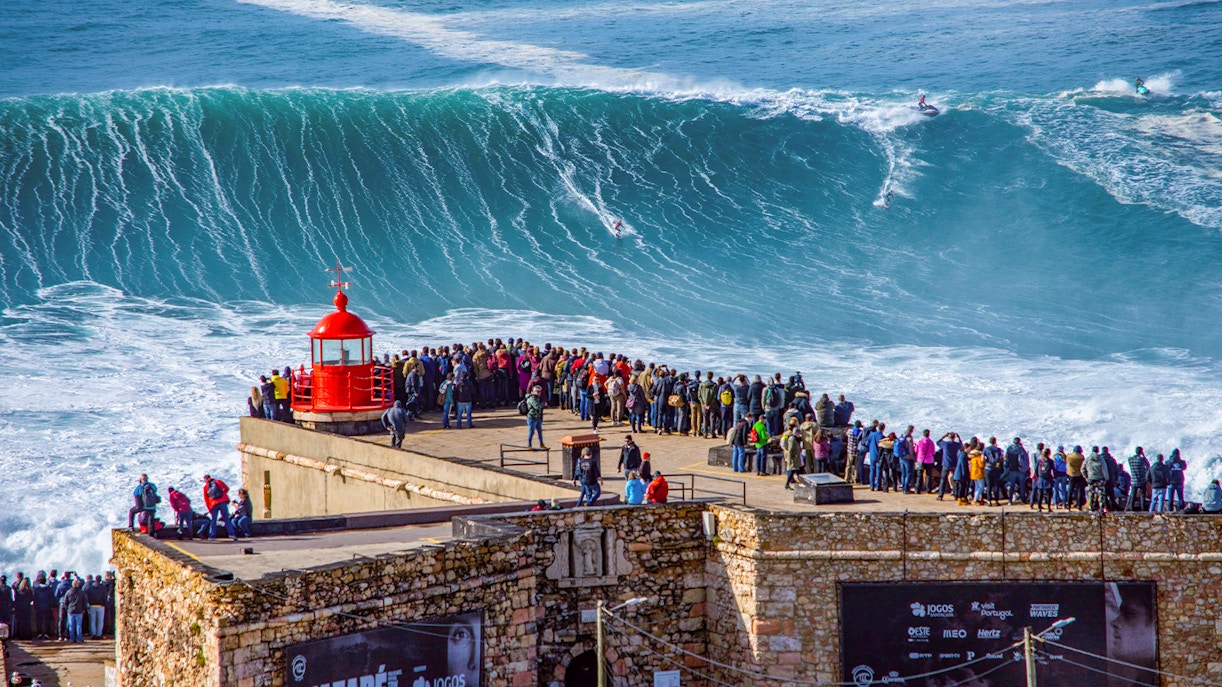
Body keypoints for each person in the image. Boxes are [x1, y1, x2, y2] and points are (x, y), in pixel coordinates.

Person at [202, 474, 238, 541]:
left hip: (213, 504)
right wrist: (223, 494)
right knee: (226, 518)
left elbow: (206, 499)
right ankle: (232, 534)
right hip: (222, 502)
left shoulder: (205, 487)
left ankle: (212, 536)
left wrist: (209, 508)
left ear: (205, 479)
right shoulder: (218, 481)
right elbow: (227, 488)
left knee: (213, 520)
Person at [525, 385, 546, 449]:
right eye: (537, 391)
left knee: (540, 432)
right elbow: (537, 407)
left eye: (540, 391)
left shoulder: (536, 397)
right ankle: (529, 445)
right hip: (532, 418)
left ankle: (541, 444)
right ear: (534, 391)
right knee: (531, 432)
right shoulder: (532, 398)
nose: (539, 393)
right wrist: (543, 404)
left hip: (537, 417)